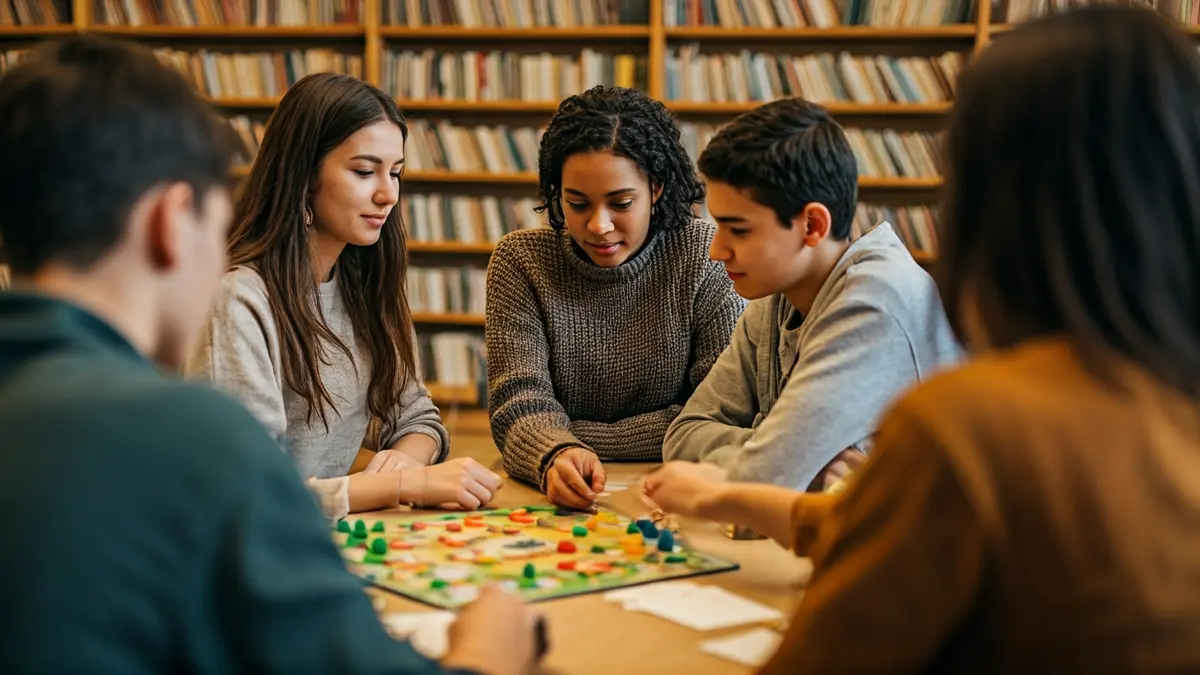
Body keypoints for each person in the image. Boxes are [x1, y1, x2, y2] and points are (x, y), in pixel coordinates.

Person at [645, 4, 1200, 671]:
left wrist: (786, 471)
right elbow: (705, 439)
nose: (717, 252)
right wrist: (742, 487)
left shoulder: (963, 423)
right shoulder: (1161, 400)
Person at [0, 35, 541, 675]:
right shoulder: (187, 429)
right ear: (171, 221)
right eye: (214, 223)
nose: (387, 194)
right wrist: (492, 643)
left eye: (395, 173)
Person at [188, 72, 502, 520]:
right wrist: (398, 486)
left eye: (395, 173)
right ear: (304, 175)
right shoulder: (237, 300)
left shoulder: (366, 284)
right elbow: (246, 494)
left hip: (332, 536)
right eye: (364, 172)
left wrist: (404, 463)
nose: (387, 194)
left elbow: (416, 417)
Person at [661, 96, 961, 492]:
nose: (716, 251)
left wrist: (777, 457)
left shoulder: (874, 302)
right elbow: (683, 436)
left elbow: (764, 477)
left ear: (813, 225)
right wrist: (776, 448)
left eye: (739, 230)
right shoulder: (775, 297)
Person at [485, 85, 745, 509]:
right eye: (577, 204)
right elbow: (517, 404)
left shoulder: (704, 256)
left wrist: (572, 434)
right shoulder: (521, 262)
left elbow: (718, 414)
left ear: (656, 188)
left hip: (674, 490)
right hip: (559, 486)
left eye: (621, 203)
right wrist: (556, 452)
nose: (599, 226)